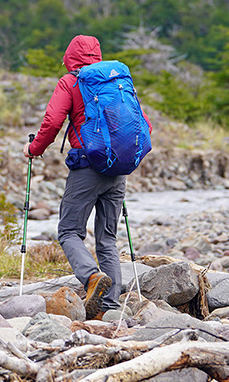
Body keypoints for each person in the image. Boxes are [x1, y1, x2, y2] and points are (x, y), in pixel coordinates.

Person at [27, 34, 150, 320]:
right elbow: (145, 126)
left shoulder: (70, 82)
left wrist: (34, 149)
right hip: (117, 168)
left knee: (69, 231)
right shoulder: (116, 81)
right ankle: (110, 304)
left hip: (86, 167)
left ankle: (92, 277)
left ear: (69, 57)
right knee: (107, 237)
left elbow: (53, 121)